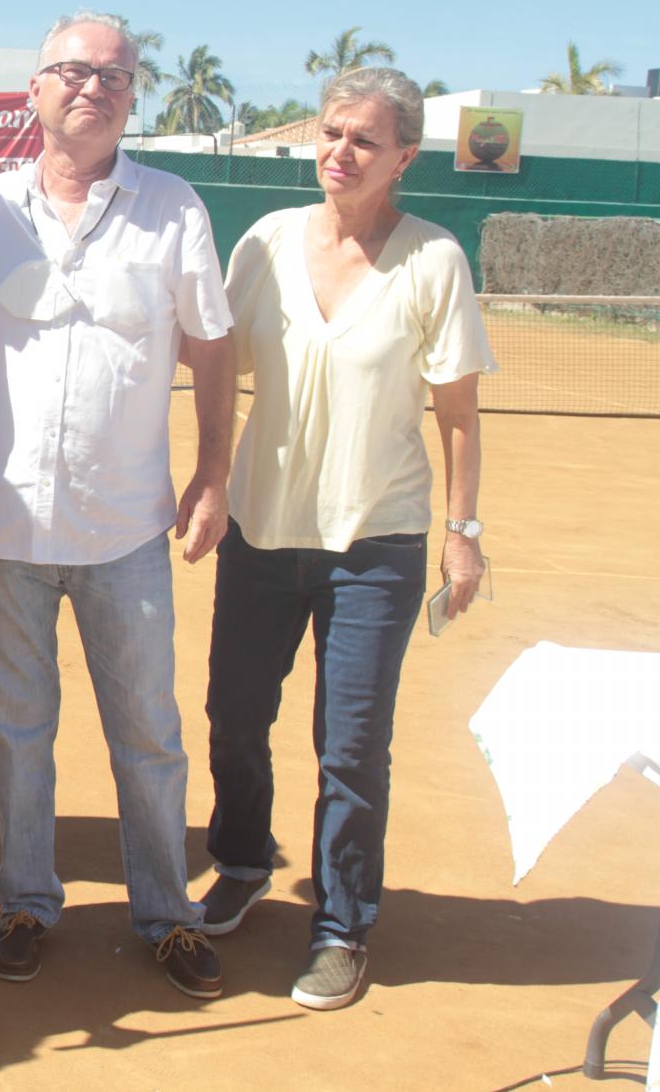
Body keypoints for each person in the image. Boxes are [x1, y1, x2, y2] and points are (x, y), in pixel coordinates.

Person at [197, 67, 495, 1012]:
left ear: (404, 155)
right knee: (234, 714)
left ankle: (341, 922)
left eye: (365, 139)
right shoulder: (267, 242)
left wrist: (463, 534)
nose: (341, 151)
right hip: (260, 530)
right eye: (332, 133)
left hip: (379, 544)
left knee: (352, 745)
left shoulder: (435, 259)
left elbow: (458, 414)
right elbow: (210, 361)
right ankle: (243, 860)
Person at [0, 10, 233, 999]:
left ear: (131, 96)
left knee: (148, 733)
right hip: (0, 531)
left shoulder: (174, 208)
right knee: (15, 728)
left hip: (125, 530)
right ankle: (27, 899)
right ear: (33, 90)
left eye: (114, 75)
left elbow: (210, 343)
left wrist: (211, 472)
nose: (93, 87)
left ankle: (166, 914)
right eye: (72, 71)